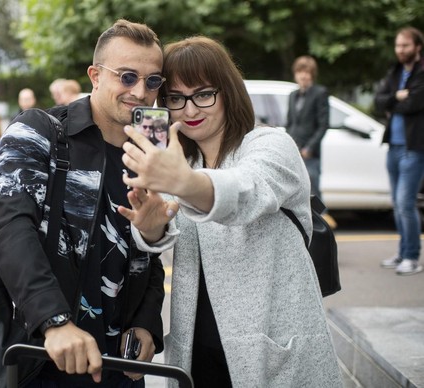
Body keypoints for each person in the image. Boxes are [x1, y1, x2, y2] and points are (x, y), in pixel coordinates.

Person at [120, 36, 342, 387]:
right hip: (196, 351)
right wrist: (150, 229)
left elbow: (245, 190)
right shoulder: (183, 160)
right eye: (176, 99)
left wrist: (185, 182)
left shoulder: (270, 144)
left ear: (228, 92)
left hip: (270, 351)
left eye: (204, 94)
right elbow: (164, 226)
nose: (190, 110)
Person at [0, 19, 178, 387]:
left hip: (120, 367)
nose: (140, 92)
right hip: (41, 356)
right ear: (95, 75)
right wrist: (54, 321)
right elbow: (10, 228)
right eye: (127, 76)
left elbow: (147, 249)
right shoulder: (39, 130)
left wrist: (147, 322)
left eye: (153, 81)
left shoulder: (150, 148)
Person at [375, 27, 424, 276]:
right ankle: (403, 252)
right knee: (396, 203)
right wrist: (397, 97)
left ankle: (413, 257)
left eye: (405, 45)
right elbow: (378, 100)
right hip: (393, 147)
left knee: (406, 203)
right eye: (398, 45)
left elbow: (415, 102)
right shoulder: (394, 72)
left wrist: (393, 101)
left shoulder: (421, 72)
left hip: (414, 147)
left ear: (417, 47)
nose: (400, 50)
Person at [285, 55, 336, 228]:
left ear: (312, 75)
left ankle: (322, 226)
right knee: (295, 188)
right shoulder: (292, 95)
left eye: (307, 73)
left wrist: (309, 148)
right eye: (300, 72)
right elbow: (290, 123)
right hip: (294, 150)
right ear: (295, 74)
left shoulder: (320, 93)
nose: (303, 76)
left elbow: (323, 125)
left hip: (310, 153)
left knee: (314, 188)